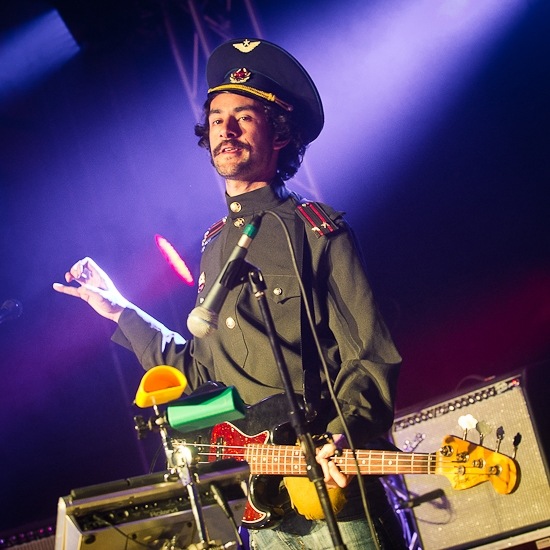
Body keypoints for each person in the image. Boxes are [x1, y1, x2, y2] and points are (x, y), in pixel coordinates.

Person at [53, 38, 406, 549]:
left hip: (333, 493)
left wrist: (341, 435)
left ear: (279, 133)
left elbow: (370, 355)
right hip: (264, 509)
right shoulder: (215, 245)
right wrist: (121, 310)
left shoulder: (316, 230)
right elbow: (203, 374)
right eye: (217, 119)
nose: (226, 129)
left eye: (243, 116)